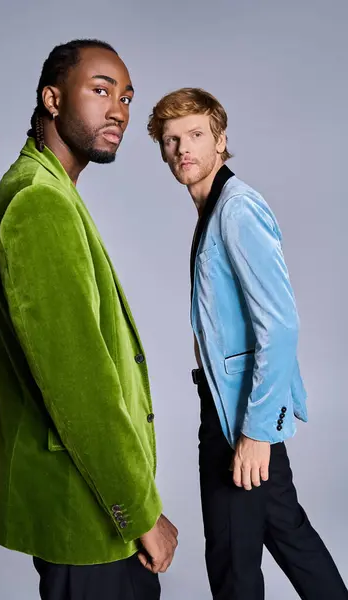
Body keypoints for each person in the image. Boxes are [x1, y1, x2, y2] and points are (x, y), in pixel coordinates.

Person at [0, 39, 178, 600]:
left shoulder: (46, 191)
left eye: (128, 97)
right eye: (100, 90)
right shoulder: (38, 204)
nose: (119, 110)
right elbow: (78, 386)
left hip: (87, 505)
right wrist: (139, 513)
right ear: (52, 98)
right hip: (88, 514)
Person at [147, 87, 348, 599]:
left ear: (221, 139)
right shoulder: (213, 210)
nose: (182, 149)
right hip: (229, 404)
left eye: (195, 135)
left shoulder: (236, 211)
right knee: (288, 533)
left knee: (233, 562)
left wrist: (256, 432)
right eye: (171, 140)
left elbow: (279, 327)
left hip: (238, 417)